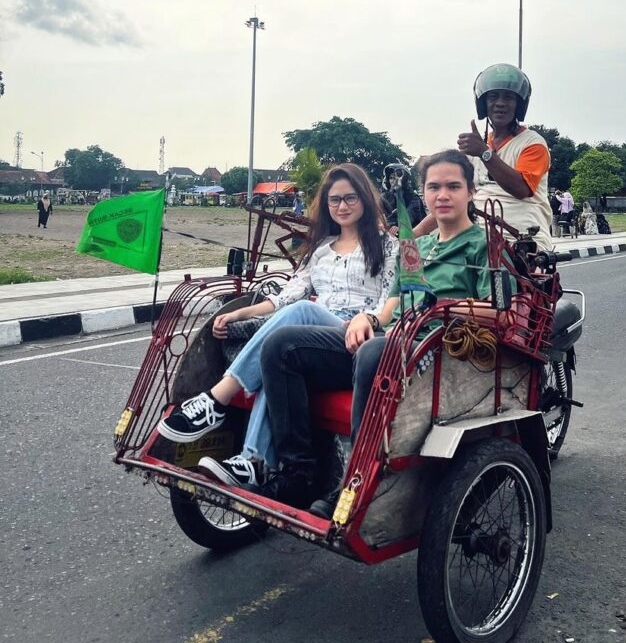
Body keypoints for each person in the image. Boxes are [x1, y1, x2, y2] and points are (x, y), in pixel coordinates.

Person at [257, 150, 493, 512]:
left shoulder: (483, 245)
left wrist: (447, 307)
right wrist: (370, 320)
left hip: (443, 348)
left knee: (371, 353)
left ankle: (357, 479)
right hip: (395, 340)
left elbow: (501, 312)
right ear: (424, 194)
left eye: (453, 186)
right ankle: (298, 470)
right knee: (282, 346)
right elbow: (394, 299)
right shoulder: (417, 245)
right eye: (434, 187)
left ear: (471, 192)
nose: (442, 195)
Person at [156, 164, 397, 489]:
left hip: (360, 338)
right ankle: (254, 461)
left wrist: (369, 319)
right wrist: (242, 314)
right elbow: (285, 298)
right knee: (278, 352)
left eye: (350, 198)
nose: (342, 206)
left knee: (301, 314)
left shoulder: (387, 246)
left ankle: (217, 400)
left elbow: (391, 299)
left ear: (365, 199)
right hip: (314, 345)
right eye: (334, 200)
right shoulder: (321, 250)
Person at [428, 63, 552, 250]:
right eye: (493, 97)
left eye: (508, 97)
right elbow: (454, 200)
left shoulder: (533, 144)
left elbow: (522, 189)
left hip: (522, 240)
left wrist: (484, 153)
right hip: (475, 236)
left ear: (519, 105)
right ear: (483, 104)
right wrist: (412, 234)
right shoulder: (476, 149)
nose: (500, 103)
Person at [380, 162, 425, 235]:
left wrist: (397, 224)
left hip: (413, 235)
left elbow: (411, 214)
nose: (394, 180)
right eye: (391, 178)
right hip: (389, 236)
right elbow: (377, 214)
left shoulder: (413, 197)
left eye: (397, 177)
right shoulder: (384, 197)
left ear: (404, 179)